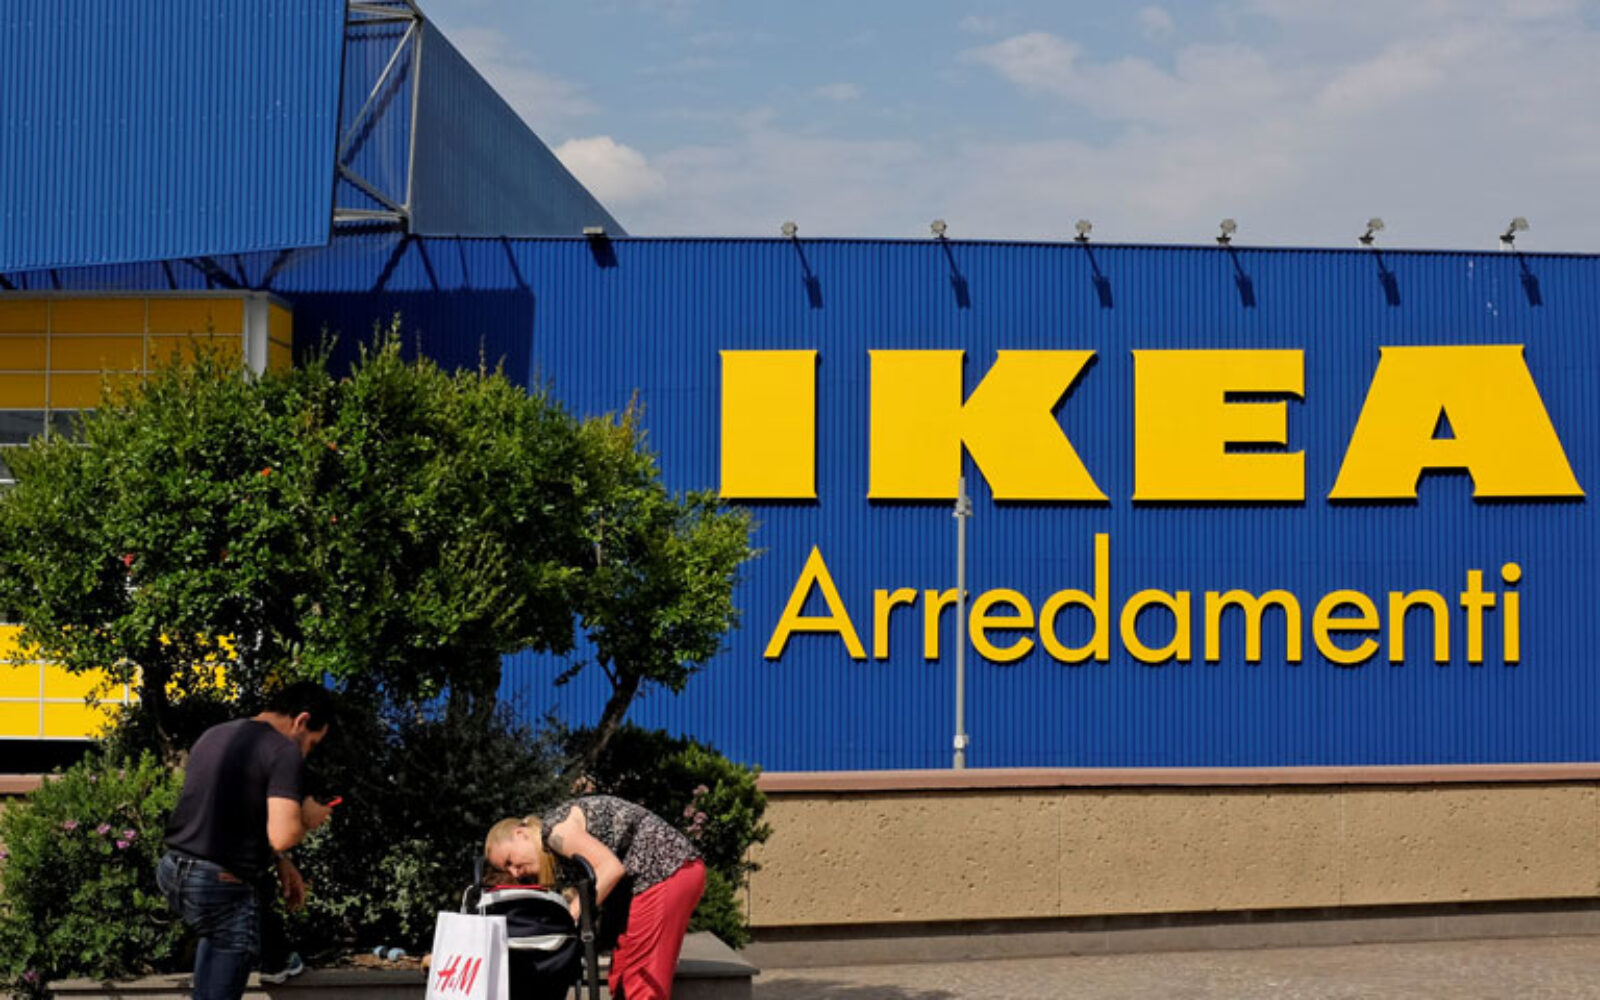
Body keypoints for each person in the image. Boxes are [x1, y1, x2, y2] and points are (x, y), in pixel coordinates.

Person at [155, 682, 338, 1000]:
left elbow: (233, 820)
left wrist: (280, 862)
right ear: (301, 720)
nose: (306, 753)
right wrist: (308, 817)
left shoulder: (216, 734)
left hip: (173, 870)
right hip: (218, 884)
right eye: (311, 743)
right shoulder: (283, 750)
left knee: (225, 922)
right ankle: (277, 959)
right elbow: (283, 835)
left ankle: (277, 959)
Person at [485, 795, 706, 1000]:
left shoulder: (555, 831)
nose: (514, 872)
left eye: (509, 861)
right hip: (648, 880)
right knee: (621, 975)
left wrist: (568, 915)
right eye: (507, 869)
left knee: (641, 981)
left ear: (520, 833)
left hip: (664, 871)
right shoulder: (554, 850)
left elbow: (611, 869)